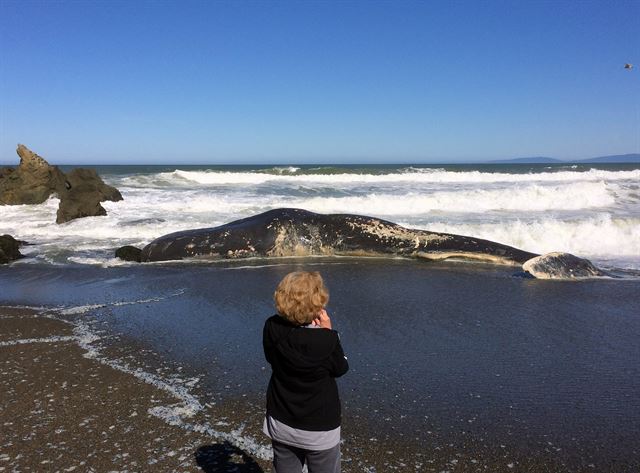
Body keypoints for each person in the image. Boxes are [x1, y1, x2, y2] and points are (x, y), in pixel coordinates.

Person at [263, 271, 349, 473]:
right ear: (319, 303)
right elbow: (341, 368)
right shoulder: (327, 340)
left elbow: (270, 357)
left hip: (281, 420)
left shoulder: (271, 327)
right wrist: (328, 332)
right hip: (320, 428)